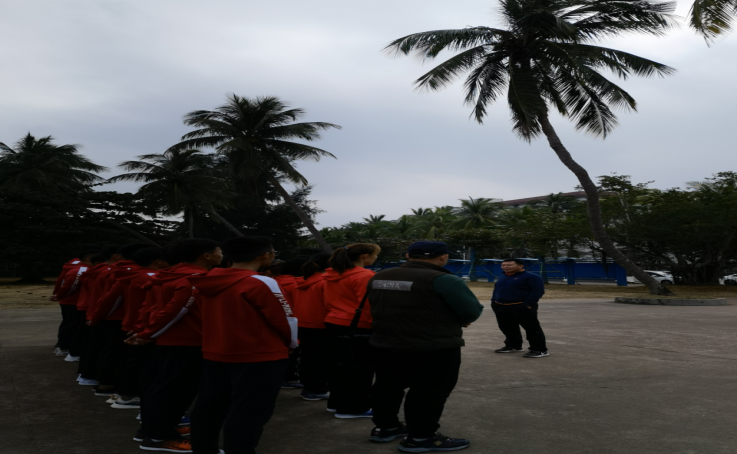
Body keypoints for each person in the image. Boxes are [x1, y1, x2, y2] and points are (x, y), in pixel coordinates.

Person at [367, 241, 483, 452]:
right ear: (443, 257)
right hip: (432, 345)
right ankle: (420, 437)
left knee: (387, 386)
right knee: (428, 391)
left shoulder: (380, 276)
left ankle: (385, 428)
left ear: (408, 256)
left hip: (385, 342)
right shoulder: (443, 279)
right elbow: (471, 312)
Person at [189, 236, 297, 454]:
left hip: (216, 350)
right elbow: (285, 319)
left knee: (210, 405)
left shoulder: (206, 281)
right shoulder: (262, 282)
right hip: (260, 354)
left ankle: (203, 448)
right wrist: (292, 342)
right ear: (265, 256)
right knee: (251, 410)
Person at [127, 238, 222, 453]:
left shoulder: (167, 275)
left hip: (169, 340)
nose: (222, 255)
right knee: (175, 391)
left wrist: (144, 329)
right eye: (219, 251)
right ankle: (159, 437)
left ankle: (152, 429)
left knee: (161, 387)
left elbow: (149, 306)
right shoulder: (193, 279)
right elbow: (176, 310)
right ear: (206, 256)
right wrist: (147, 334)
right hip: (185, 341)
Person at [322, 243, 380, 419]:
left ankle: (336, 403)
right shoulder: (365, 276)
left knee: (338, 366)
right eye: (375, 255)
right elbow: (368, 305)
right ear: (364, 256)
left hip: (333, 322)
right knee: (360, 369)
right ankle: (354, 408)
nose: (376, 258)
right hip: (358, 325)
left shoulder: (331, 274)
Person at [491, 258, 548, 358]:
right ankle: (513, 345)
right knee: (507, 327)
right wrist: (494, 301)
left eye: (509, 265)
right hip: (501, 306)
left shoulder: (531, 277)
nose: (505, 267)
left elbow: (538, 291)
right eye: (503, 265)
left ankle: (539, 349)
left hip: (521, 306)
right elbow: (496, 290)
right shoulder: (503, 276)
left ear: (521, 266)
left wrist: (528, 303)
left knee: (532, 328)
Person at [292, 253, 331, 401]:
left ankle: (308, 387)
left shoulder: (300, 281)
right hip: (321, 324)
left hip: (302, 323)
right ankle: (316, 389)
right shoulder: (325, 282)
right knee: (320, 360)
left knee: (307, 357)